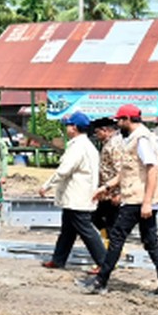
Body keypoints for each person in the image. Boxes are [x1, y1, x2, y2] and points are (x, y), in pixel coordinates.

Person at [79, 105, 158, 298]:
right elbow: (127, 171)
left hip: (138, 199)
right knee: (150, 241)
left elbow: (153, 170)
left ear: (127, 119)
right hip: (140, 198)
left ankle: (101, 281)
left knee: (116, 237)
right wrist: (106, 187)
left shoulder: (141, 139)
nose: (117, 124)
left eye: (119, 120)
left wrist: (147, 202)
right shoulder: (134, 138)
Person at [39, 112, 106, 270]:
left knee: (86, 231)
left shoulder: (78, 147)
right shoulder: (88, 146)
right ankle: (58, 260)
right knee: (68, 231)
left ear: (74, 128)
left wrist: (47, 186)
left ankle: (104, 263)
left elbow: (64, 170)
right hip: (78, 195)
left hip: (78, 196)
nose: (67, 128)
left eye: (68, 125)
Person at [91, 117, 124, 242]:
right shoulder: (109, 144)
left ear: (105, 130)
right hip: (106, 192)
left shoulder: (114, 145)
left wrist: (118, 193)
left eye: (97, 132)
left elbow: (120, 171)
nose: (96, 135)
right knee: (96, 218)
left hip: (112, 192)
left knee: (111, 224)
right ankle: (107, 246)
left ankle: (112, 251)